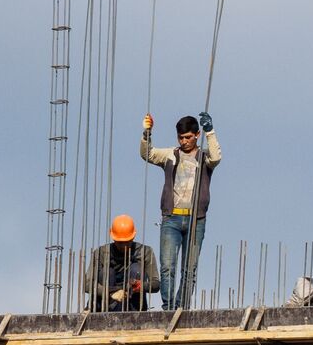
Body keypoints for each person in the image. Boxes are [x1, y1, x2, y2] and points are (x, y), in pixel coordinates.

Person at [141, 111, 223, 309]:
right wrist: (146, 134)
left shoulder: (204, 158)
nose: (184, 141)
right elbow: (148, 154)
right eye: (180, 137)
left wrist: (210, 132)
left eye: (188, 137)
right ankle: (169, 308)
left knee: (189, 269)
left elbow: (216, 157)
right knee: (168, 266)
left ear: (196, 135)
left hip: (196, 220)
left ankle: (181, 308)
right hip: (172, 219)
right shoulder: (171, 154)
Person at [83, 214, 161, 312]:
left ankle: (134, 315)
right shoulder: (101, 253)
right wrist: (110, 292)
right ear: (113, 238)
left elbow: (156, 284)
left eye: (127, 242)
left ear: (133, 237)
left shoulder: (145, 252)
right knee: (107, 272)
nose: (123, 246)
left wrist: (141, 286)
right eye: (120, 242)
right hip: (107, 305)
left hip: (133, 304)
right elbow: (87, 284)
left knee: (136, 269)